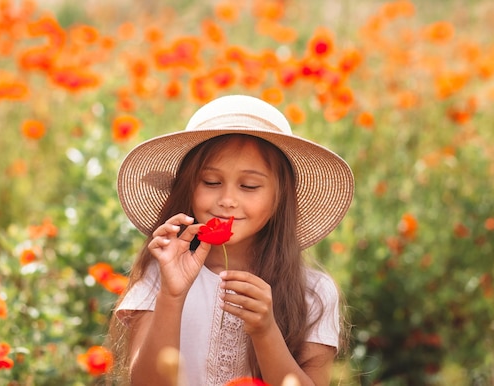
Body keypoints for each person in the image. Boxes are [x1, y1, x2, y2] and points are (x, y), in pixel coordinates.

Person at [108, 95, 354, 386]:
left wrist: (265, 331)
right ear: (188, 186)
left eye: (249, 186)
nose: (227, 200)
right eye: (211, 182)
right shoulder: (160, 273)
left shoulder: (313, 292)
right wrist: (171, 297)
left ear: (280, 198)